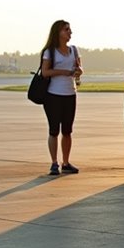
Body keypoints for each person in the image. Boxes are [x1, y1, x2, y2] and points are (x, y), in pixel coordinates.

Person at [39, 20, 83, 176]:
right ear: (58, 33)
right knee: (54, 131)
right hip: (53, 95)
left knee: (67, 131)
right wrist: (63, 72)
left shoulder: (74, 50)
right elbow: (45, 72)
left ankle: (66, 162)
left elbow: (80, 68)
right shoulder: (50, 52)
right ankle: (54, 163)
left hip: (70, 94)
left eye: (70, 30)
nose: (70, 32)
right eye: (66, 30)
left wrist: (78, 71)